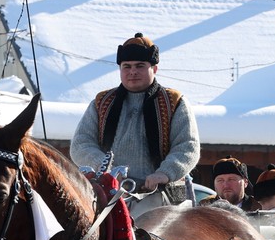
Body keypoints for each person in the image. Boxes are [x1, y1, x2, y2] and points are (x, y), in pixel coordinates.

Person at [71, 32, 199, 203]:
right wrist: (109, 171)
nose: (132, 72)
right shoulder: (102, 102)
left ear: (154, 68)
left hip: (160, 195)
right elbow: (81, 144)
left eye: (140, 66)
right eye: (127, 66)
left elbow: (187, 146)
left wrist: (164, 174)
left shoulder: (174, 102)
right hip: (108, 192)